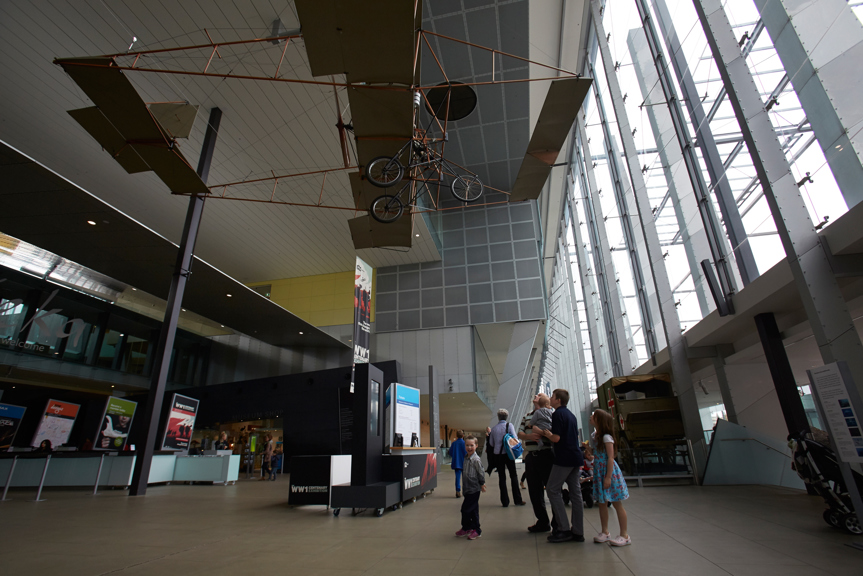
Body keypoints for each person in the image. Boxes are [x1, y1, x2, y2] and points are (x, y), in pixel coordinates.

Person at [538, 389, 584, 543]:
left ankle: (563, 528)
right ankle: (578, 531)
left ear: (558, 400)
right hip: (575, 457)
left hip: (564, 458)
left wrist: (546, 434)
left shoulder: (557, 414)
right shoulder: (571, 415)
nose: (550, 398)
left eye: (552, 396)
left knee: (552, 489)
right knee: (576, 493)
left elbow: (556, 438)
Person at [590, 409, 631, 546]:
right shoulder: (595, 435)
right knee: (602, 503)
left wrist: (608, 477)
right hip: (599, 471)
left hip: (608, 472)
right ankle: (605, 531)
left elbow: (610, 457)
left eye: (594, 416)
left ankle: (624, 534)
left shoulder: (606, 437)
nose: (591, 417)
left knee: (617, 503)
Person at [519, 393, 555, 532]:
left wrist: (542, 433)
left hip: (546, 454)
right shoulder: (527, 416)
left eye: (539, 394)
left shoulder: (550, 414)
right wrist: (529, 436)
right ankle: (543, 521)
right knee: (534, 491)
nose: (535, 395)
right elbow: (520, 433)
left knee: (551, 489)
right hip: (531, 457)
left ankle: (557, 522)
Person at [488, 408, 525, 507]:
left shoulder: (494, 428)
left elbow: (491, 443)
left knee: (502, 477)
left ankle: (505, 502)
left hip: (498, 455)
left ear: (498, 417)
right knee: (513, 475)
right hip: (509, 455)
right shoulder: (509, 426)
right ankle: (517, 500)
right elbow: (515, 439)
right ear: (506, 417)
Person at [455, 435, 486, 540]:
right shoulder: (466, 458)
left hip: (474, 489)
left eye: (471, 445)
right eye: (467, 445)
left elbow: (481, 472)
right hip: (467, 489)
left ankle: (469, 527)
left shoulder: (476, 460)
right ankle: (473, 528)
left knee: (465, 509)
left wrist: (482, 483)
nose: (469, 447)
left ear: (476, 446)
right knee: (473, 510)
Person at [448, 430, 466, 498]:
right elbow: (466, 453)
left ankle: (458, 491)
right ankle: (465, 490)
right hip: (464, 463)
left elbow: (450, 452)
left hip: (457, 463)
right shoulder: (464, 443)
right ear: (463, 436)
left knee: (457, 477)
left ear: (456, 436)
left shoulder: (454, 443)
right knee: (465, 478)